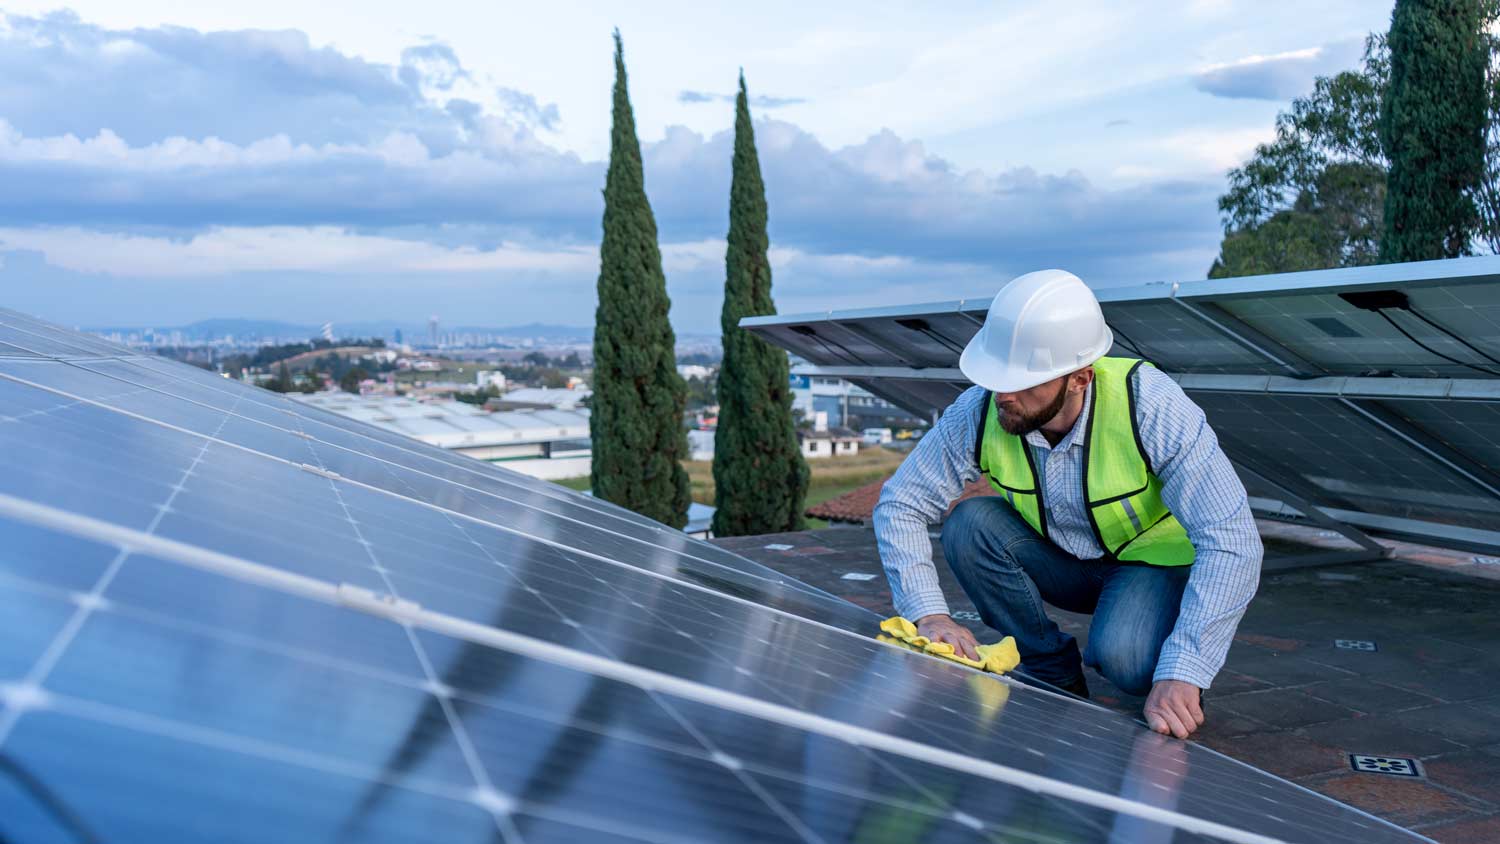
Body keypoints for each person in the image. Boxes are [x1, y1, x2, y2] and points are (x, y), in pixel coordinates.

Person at [872, 269, 1262, 738]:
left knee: (1129, 662)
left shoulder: (1151, 405)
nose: (1004, 395)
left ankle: (1149, 644)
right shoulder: (981, 411)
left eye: (1024, 381)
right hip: (1062, 562)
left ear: (1080, 377)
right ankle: (1051, 668)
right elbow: (900, 504)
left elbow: (1233, 540)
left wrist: (1186, 670)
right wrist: (929, 613)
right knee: (969, 524)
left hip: (1149, 566)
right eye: (998, 378)